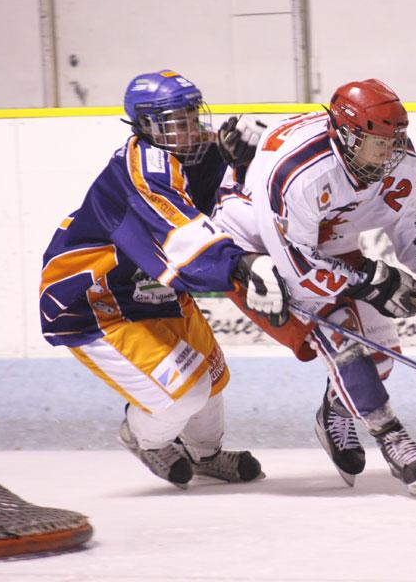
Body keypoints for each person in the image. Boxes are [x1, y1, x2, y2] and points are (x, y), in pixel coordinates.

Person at [211, 79, 416, 495]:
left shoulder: (397, 159)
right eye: (380, 143)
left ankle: (335, 410)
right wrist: (372, 282)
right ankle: (391, 435)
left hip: (325, 234)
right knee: (340, 334)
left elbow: (414, 225)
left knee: (381, 357)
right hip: (257, 247)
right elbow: (299, 272)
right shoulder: (299, 175)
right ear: (347, 136)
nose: (391, 153)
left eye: (396, 141)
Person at [38, 70, 289, 489]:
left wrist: (247, 157)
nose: (190, 129)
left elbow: (220, 194)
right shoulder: (141, 172)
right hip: (96, 299)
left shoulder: (193, 150)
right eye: (177, 122)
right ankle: (144, 436)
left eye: (192, 116)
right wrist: (240, 264)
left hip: (152, 288)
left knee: (211, 377)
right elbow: (179, 231)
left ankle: (206, 455)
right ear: (146, 126)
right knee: (185, 394)